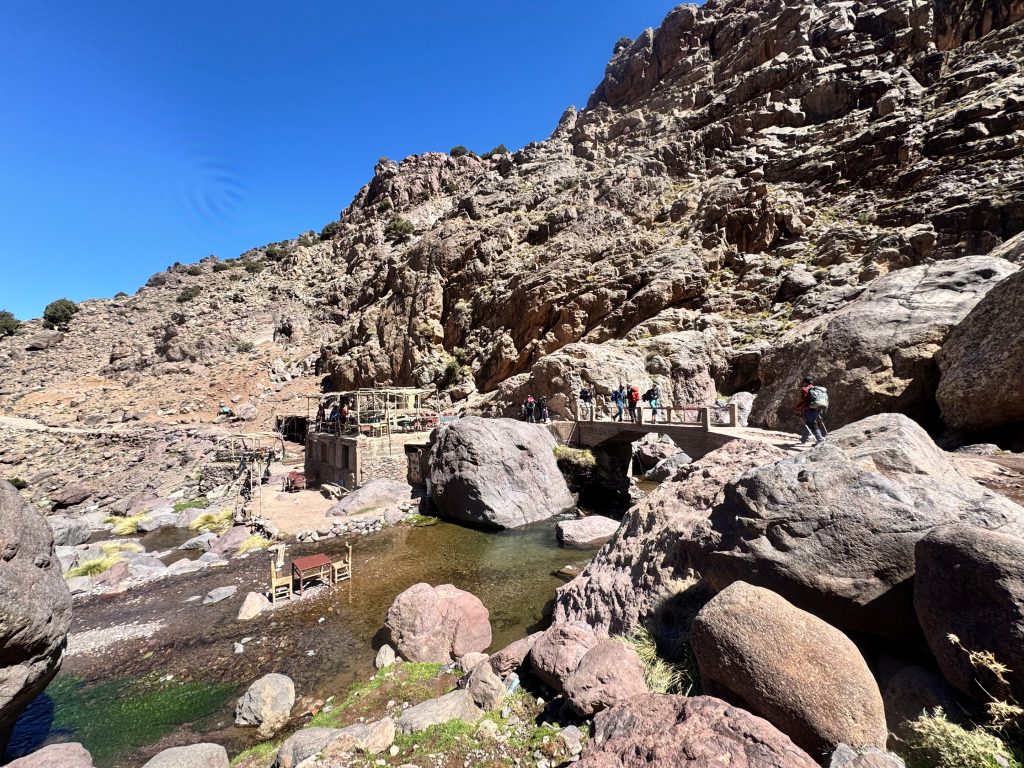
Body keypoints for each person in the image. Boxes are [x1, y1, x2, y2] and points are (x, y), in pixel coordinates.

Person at [793, 376, 828, 444]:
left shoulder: (805, 389)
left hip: (810, 409)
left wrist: (797, 407)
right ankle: (803, 439)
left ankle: (820, 440)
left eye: (803, 382)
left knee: (812, 424)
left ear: (805, 382)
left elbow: (804, 401)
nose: (802, 383)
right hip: (819, 408)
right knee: (809, 423)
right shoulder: (816, 389)